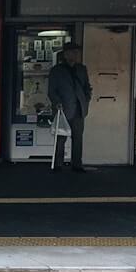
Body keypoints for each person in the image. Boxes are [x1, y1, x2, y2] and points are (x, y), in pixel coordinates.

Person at [49, 42, 93, 173]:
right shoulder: (57, 70)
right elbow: (51, 90)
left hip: (79, 108)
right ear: (65, 54)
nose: (75, 54)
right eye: (72, 52)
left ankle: (77, 164)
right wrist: (57, 102)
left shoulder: (82, 69)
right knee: (61, 138)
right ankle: (58, 164)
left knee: (78, 138)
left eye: (77, 52)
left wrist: (86, 99)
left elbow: (87, 87)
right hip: (62, 110)